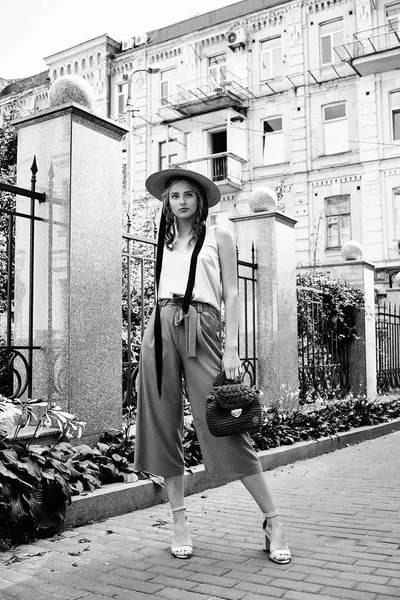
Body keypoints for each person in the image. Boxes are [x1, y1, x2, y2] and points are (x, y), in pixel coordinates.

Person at [133, 168, 291, 564]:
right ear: (167, 203)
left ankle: (273, 520)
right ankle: (179, 521)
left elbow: (233, 292)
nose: (180, 201)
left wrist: (232, 346)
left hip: (201, 324)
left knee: (222, 422)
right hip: (161, 324)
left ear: (200, 200)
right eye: (173, 196)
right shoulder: (165, 239)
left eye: (188, 195)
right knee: (160, 420)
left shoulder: (218, 233)